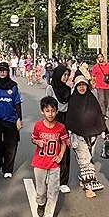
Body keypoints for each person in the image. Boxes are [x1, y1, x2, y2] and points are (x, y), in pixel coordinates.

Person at [32, 96, 70, 217]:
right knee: (41, 191)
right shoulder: (38, 126)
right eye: (47, 111)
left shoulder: (60, 127)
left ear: (56, 111)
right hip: (40, 163)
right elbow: (33, 138)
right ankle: (40, 203)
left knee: (53, 193)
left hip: (54, 165)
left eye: (53, 111)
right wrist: (38, 142)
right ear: (42, 111)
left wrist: (60, 155)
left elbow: (64, 142)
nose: (50, 114)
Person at [65, 72, 107, 197]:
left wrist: (105, 131)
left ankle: (83, 178)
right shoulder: (73, 101)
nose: (82, 88)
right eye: (79, 86)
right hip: (78, 136)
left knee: (89, 159)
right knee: (85, 161)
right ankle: (89, 186)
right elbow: (69, 120)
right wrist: (69, 136)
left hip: (92, 136)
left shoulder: (92, 100)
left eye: (84, 85)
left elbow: (99, 116)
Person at [0, 62, 24, 178]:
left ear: (8, 72)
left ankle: (8, 168)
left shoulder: (13, 86)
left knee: (11, 145)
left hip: (10, 119)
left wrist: (19, 119)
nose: (2, 72)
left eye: (4, 70)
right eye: (0, 70)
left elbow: (17, 103)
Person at [45, 64, 74, 193]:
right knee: (51, 149)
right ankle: (49, 177)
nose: (66, 77)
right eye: (64, 74)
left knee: (65, 150)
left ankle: (63, 181)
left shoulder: (69, 90)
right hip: (54, 119)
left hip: (66, 120)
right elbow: (48, 105)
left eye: (67, 75)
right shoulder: (51, 88)